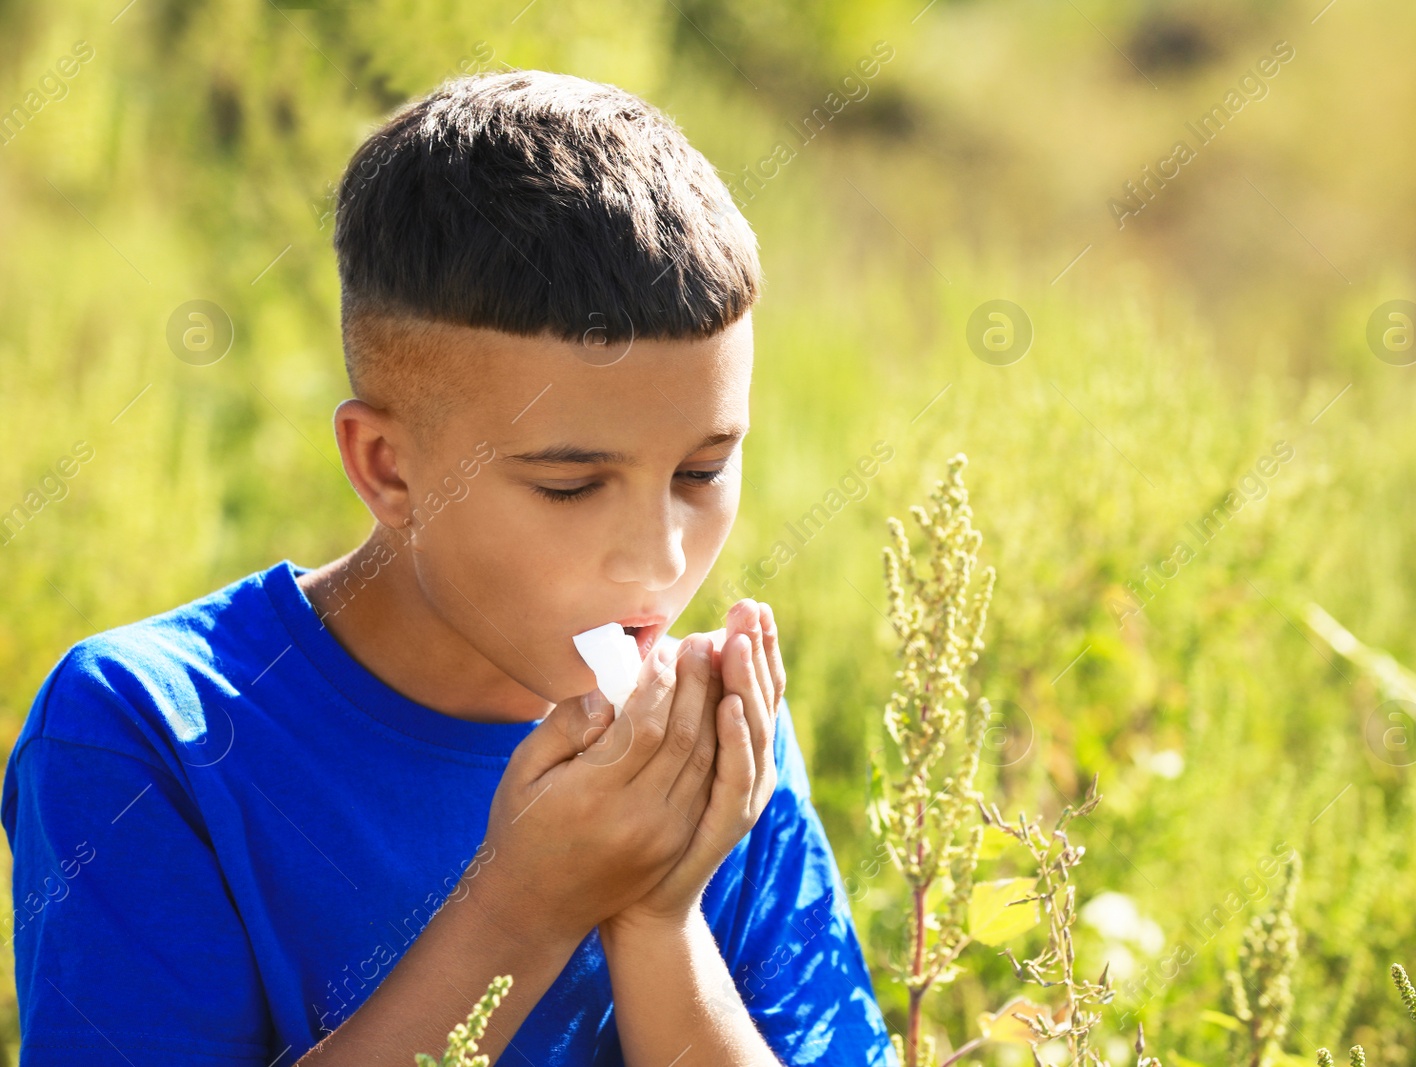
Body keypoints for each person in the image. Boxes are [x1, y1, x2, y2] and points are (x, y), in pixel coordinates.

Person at [2, 68, 896, 1067]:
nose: (659, 554)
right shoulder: (147, 730)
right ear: (388, 467)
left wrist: (658, 915)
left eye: (703, 468)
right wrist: (522, 907)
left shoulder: (715, 737)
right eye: (569, 483)